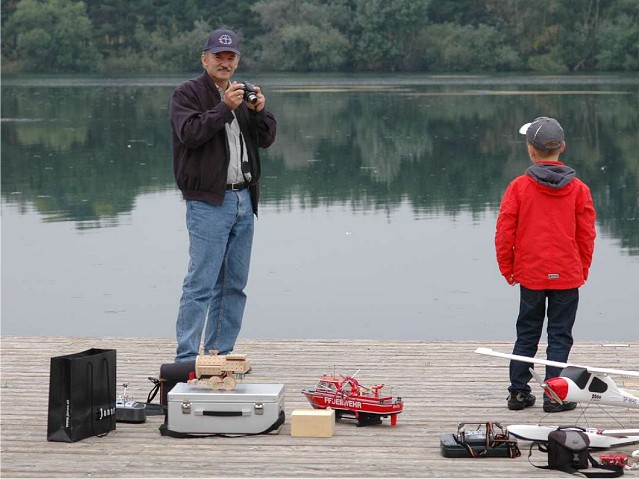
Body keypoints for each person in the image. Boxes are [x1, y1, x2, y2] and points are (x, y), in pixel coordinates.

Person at [170, 29, 277, 362]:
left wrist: (259, 111)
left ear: (237, 61)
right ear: (205, 59)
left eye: (231, 57)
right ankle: (186, 360)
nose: (225, 62)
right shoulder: (186, 94)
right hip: (208, 202)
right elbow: (190, 134)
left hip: (244, 200)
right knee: (200, 284)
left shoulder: (240, 94)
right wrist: (223, 107)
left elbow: (267, 139)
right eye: (218, 56)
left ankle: (219, 353)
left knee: (233, 285)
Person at [495, 117, 596, 413]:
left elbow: (504, 233)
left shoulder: (518, 187)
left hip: (530, 273)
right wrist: (582, 269)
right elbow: (586, 235)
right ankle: (555, 395)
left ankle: (518, 393)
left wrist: (507, 268)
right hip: (567, 273)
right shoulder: (579, 189)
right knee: (560, 334)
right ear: (562, 147)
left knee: (527, 332)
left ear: (531, 150)